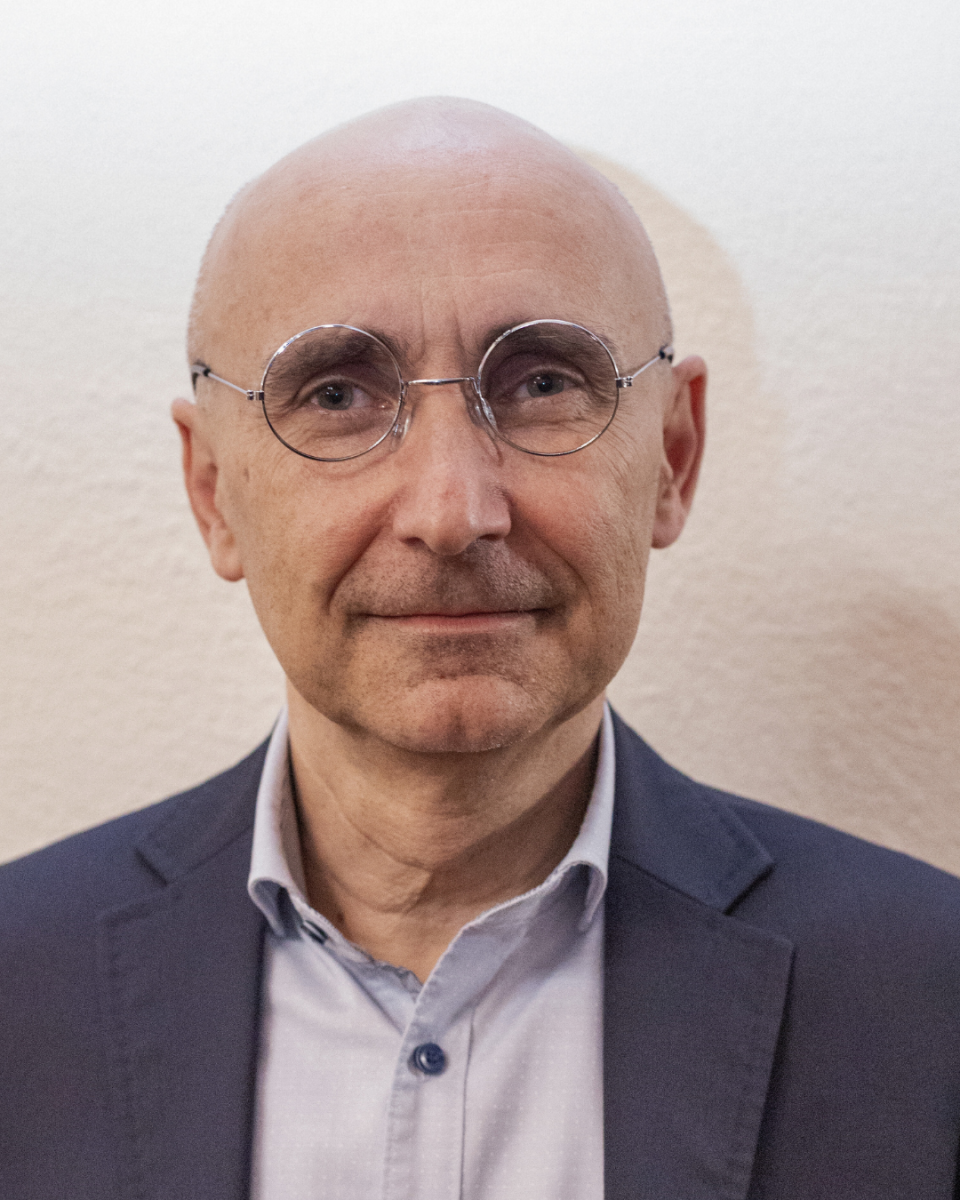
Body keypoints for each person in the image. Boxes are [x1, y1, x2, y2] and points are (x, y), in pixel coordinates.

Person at [2, 97, 960, 1200]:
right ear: (213, 491)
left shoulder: (927, 999)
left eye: (544, 382)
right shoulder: (19, 988)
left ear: (673, 457)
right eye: (338, 394)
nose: (452, 512)